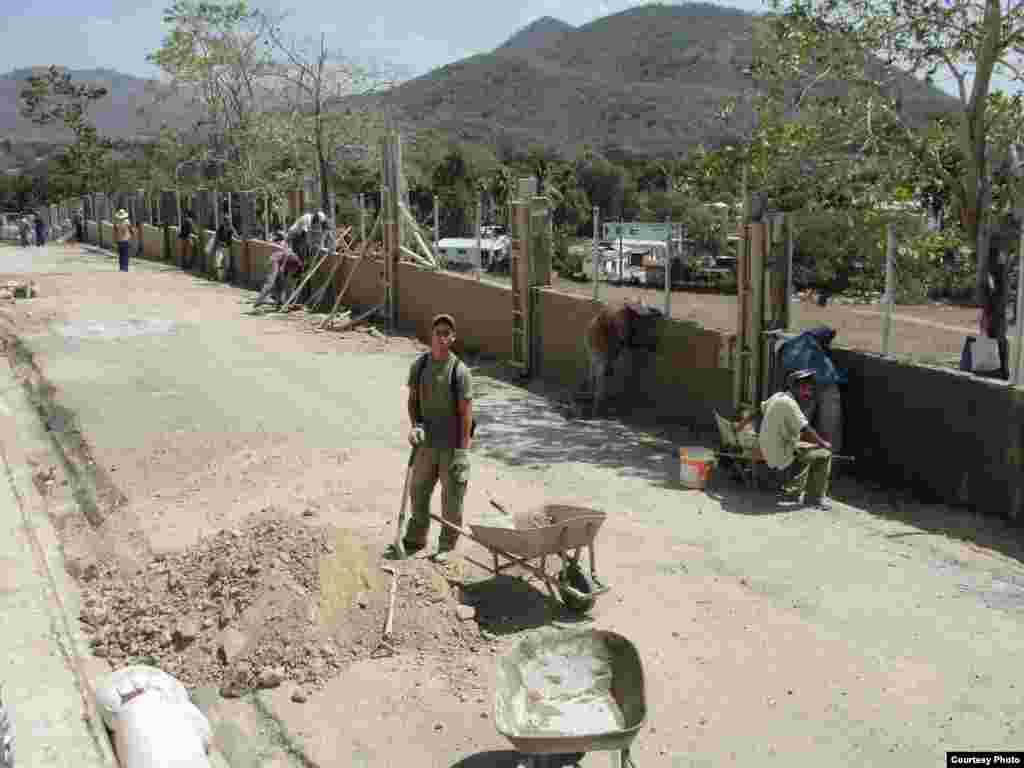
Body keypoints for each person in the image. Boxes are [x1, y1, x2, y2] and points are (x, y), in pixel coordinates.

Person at [402, 313, 474, 562]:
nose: (442, 337)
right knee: (418, 490)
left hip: (452, 446)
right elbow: (412, 401)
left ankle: (447, 545)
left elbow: (466, 414)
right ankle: (416, 537)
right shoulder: (420, 366)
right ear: (431, 335)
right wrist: (415, 426)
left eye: (447, 333)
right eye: (438, 332)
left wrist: (463, 451)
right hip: (426, 444)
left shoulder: (460, 372)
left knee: (452, 499)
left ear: (453, 338)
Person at [742, 369, 834, 509]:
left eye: (809, 389)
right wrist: (824, 443)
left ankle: (796, 489)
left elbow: (758, 410)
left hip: (769, 448)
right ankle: (815, 498)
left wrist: (740, 425)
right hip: (778, 456)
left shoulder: (778, 396)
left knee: (807, 449)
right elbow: (805, 429)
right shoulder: (790, 404)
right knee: (824, 454)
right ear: (794, 388)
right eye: (804, 389)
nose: (807, 393)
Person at [778, 325, 847, 454]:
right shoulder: (805, 339)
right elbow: (830, 331)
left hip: (809, 387)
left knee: (800, 426)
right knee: (830, 430)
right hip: (826, 383)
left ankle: (799, 459)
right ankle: (830, 463)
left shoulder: (786, 356)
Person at [583, 303, 631, 416]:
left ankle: (592, 402)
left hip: (595, 339)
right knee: (601, 374)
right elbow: (620, 336)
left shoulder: (615, 311)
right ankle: (597, 406)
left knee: (597, 372)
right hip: (598, 342)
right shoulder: (619, 316)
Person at [253, 231, 302, 308]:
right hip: (275, 260)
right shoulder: (297, 261)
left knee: (280, 284)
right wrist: (283, 265)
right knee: (271, 283)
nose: (291, 273)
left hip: (277, 261)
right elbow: (287, 253)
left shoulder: (291, 272)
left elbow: (288, 285)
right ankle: (259, 300)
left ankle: (279, 302)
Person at [214, 214, 237, 282]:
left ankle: (225, 277)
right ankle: (219, 277)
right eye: (226, 220)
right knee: (219, 262)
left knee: (227, 264)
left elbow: (236, 235)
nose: (227, 222)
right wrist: (219, 243)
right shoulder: (220, 228)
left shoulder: (231, 228)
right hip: (220, 247)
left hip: (227, 248)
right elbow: (217, 237)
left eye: (228, 221)